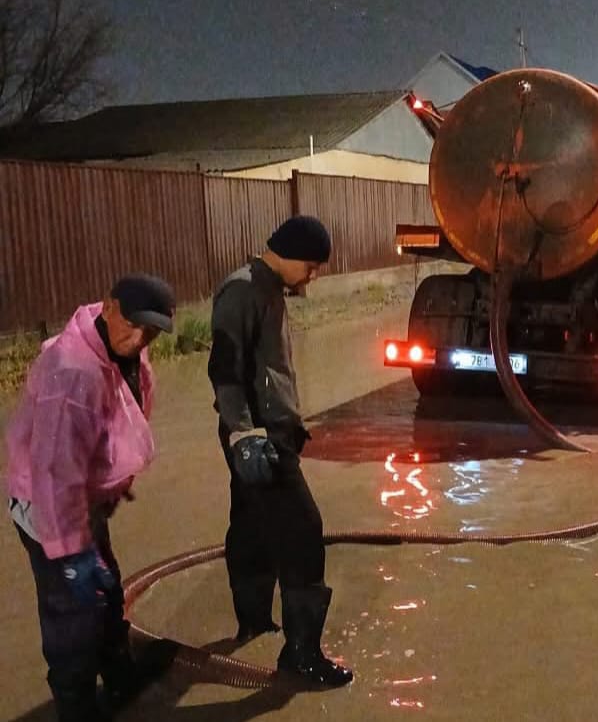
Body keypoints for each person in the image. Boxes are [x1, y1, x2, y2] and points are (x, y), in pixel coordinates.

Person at [6, 274, 176, 722]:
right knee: (72, 615)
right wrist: (70, 555)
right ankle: (76, 708)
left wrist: (117, 478)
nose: (140, 338)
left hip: (84, 500)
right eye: (134, 325)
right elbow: (55, 475)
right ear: (109, 306)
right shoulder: (72, 374)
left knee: (107, 589)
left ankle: (120, 677)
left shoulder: (123, 351)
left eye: (152, 331)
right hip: (48, 511)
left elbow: (119, 419)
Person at [207, 215, 352, 688]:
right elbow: (225, 371)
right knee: (303, 531)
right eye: (311, 265)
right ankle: (302, 655)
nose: (314, 275)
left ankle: (252, 621)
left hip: (271, 432)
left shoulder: (268, 290)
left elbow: (269, 370)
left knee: (251, 524)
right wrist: (246, 436)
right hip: (259, 440)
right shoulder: (243, 291)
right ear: (287, 253)